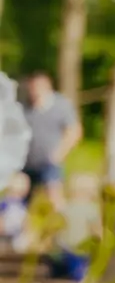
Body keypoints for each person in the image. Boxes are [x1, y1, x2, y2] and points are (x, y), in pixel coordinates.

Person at [21, 71, 83, 209]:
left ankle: (60, 225)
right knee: (22, 199)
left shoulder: (61, 106)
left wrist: (60, 153)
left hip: (50, 162)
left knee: (54, 196)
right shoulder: (25, 107)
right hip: (27, 163)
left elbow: (74, 131)